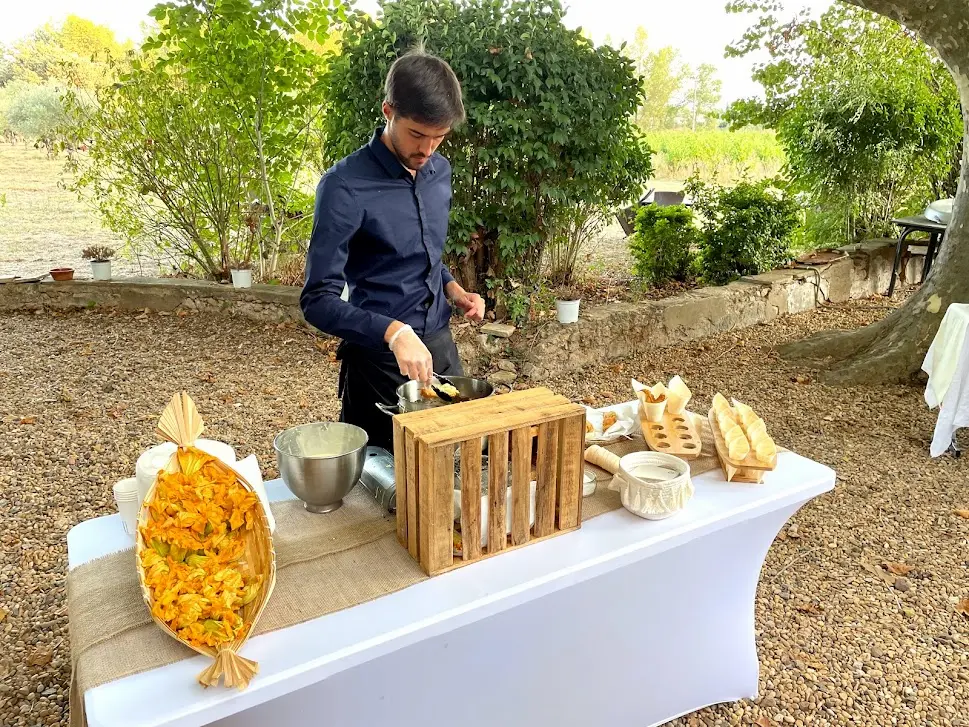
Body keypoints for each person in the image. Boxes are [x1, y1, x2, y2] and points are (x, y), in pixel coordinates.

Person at [301, 50, 485, 453]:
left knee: (456, 457)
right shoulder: (344, 186)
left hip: (439, 345)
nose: (428, 150)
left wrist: (453, 288)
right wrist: (394, 332)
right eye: (417, 135)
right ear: (388, 111)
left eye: (439, 137)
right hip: (379, 359)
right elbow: (316, 301)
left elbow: (423, 255)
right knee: (389, 488)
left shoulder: (440, 172)